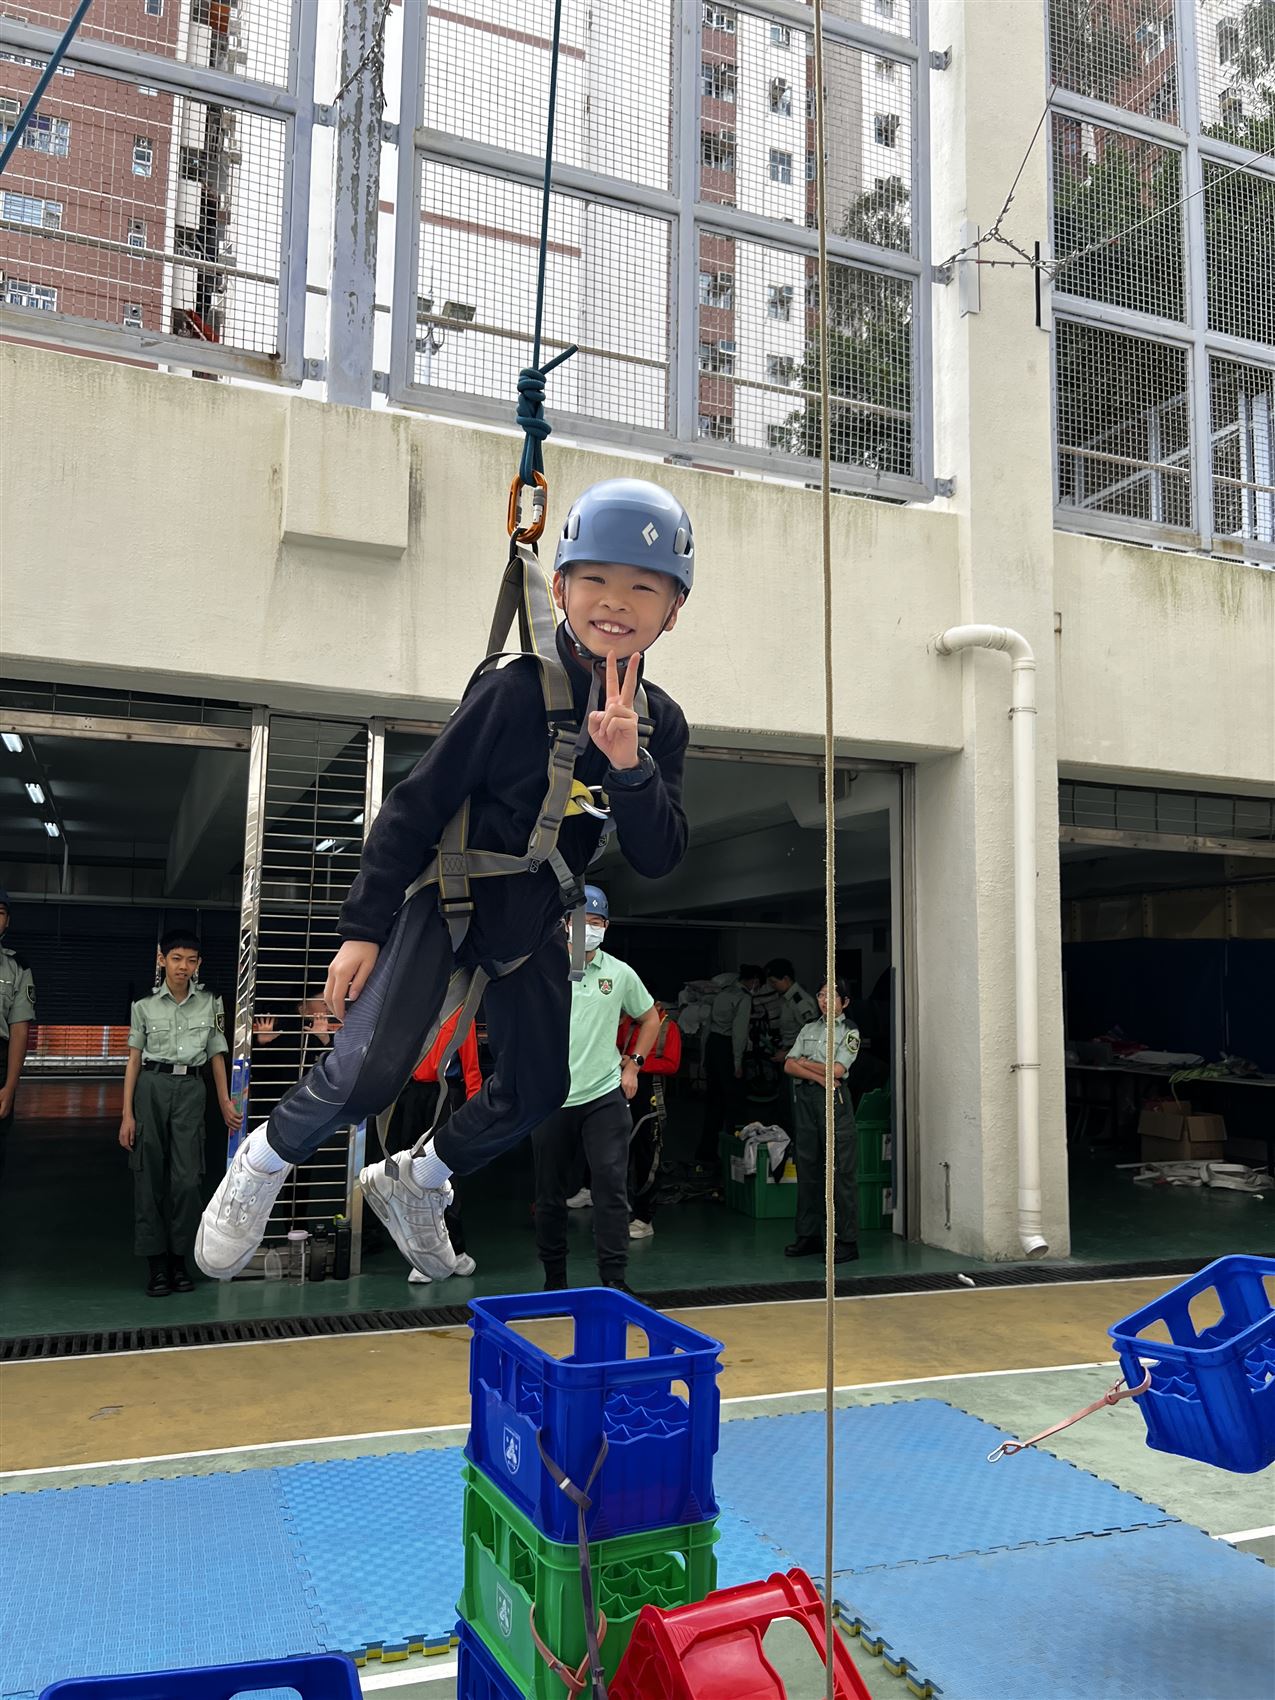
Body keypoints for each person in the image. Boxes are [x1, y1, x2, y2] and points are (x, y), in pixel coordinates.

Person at [196, 479, 693, 1284]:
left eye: (644, 587)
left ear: (673, 609)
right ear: (558, 588)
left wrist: (630, 766)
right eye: (595, 579)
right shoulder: (514, 690)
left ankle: (417, 1179)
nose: (615, 601)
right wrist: (362, 928)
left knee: (539, 1089)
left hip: (535, 919)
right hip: (450, 897)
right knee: (367, 1076)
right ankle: (261, 1160)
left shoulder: (660, 723)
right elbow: (414, 805)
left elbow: (660, 855)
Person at [532, 886, 662, 1292]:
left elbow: (650, 1018)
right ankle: (555, 1281)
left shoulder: (619, 973)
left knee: (610, 1187)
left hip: (603, 1095)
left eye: (596, 922)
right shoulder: (542, 967)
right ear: (564, 925)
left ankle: (614, 1281)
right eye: (581, 921)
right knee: (549, 1193)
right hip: (551, 1096)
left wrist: (634, 1064)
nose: (589, 928)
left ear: (606, 927)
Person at [120, 930, 240, 1296]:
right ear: (162, 960)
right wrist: (126, 1115)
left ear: (198, 964)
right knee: (148, 1176)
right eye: (176, 959)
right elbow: (134, 1060)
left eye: (190, 960)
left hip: (191, 1089)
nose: (182, 966)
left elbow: (217, 1054)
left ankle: (179, 1259)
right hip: (151, 1087)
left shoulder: (211, 1003)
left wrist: (224, 1100)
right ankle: (156, 1264)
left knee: (187, 1180)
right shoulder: (143, 1005)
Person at [783, 979, 861, 1264]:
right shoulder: (809, 1028)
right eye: (821, 995)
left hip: (834, 1102)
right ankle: (809, 1234)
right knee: (808, 1165)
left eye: (832, 996)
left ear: (845, 1002)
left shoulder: (849, 1031)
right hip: (807, 1098)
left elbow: (838, 1070)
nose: (825, 1001)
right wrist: (818, 1076)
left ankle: (846, 1240)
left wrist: (804, 1063)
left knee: (840, 1170)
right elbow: (788, 1064)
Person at [619, 997, 682, 1238]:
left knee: (647, 1155)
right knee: (619, 1153)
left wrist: (636, 1064)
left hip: (651, 1094)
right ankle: (619, 1211)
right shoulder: (629, 1024)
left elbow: (671, 1064)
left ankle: (644, 1218)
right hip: (623, 1092)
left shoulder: (669, 1028)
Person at [697, 964, 762, 1166]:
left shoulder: (723, 993)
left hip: (713, 1045)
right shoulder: (743, 998)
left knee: (714, 1103)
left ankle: (706, 1151)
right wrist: (737, 1062)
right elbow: (739, 1032)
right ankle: (735, 1154)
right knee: (735, 1105)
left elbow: (707, 1027)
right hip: (728, 1049)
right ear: (754, 981)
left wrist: (703, 1057)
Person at [0, 889, 36, 1186]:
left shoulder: (17, 968)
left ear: (7, 921)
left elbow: (19, 1029)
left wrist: (10, 1087)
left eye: (0, 913)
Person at [765, 958, 820, 1059]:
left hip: (799, 1057)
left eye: (774, 982)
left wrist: (787, 1053)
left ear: (786, 979)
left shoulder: (801, 1001)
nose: (772, 986)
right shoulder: (785, 998)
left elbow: (812, 1037)